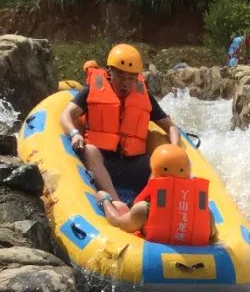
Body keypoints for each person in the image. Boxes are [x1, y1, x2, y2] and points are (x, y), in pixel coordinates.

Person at [60, 43, 180, 215]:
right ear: (110, 72)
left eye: (131, 78)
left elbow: (171, 127)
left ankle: (145, 205)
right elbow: (66, 115)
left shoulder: (143, 95)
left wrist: (174, 148)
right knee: (90, 150)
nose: (126, 83)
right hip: (104, 161)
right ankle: (117, 203)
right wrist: (74, 134)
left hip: (135, 164)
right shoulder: (92, 90)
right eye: (121, 76)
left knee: (160, 161)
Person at [98, 142, 215, 245]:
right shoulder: (206, 212)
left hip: (152, 260)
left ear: (154, 173)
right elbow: (212, 234)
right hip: (200, 264)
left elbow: (117, 223)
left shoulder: (143, 210)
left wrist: (105, 201)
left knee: (120, 207)